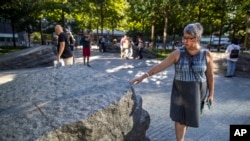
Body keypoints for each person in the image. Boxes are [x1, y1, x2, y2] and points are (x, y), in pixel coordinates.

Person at [130, 22, 214, 141]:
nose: (185, 41)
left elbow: (210, 76)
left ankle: (182, 137)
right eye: (184, 38)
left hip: (198, 92)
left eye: (189, 38)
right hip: (180, 91)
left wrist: (211, 94)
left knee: (189, 118)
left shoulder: (207, 55)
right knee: (179, 119)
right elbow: (160, 66)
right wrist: (143, 76)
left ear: (198, 38)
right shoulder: (178, 53)